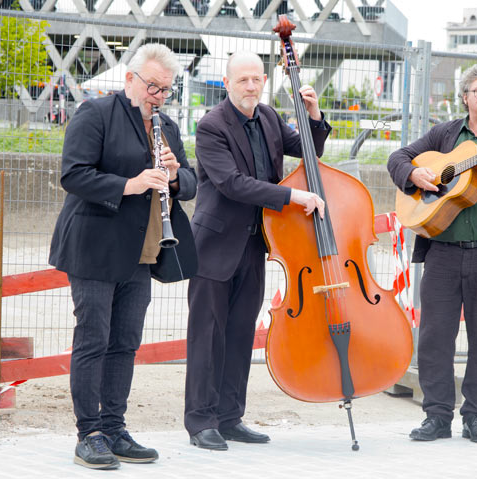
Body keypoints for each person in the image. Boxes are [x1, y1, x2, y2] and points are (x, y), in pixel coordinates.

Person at [49, 43, 198, 469]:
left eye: (167, 89)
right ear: (129, 78)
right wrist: (129, 184)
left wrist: (172, 176)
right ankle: (89, 433)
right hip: (94, 247)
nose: (159, 95)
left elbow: (190, 180)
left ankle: (114, 428)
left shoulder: (166, 125)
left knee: (125, 343)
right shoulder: (96, 114)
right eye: (153, 86)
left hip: (143, 249)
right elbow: (73, 174)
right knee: (93, 339)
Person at [184, 51, 331, 451]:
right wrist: (292, 196)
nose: (251, 86)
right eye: (243, 80)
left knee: (239, 334)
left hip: (255, 244)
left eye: (257, 79)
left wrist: (314, 117)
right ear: (228, 83)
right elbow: (233, 183)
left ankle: (230, 418)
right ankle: (201, 422)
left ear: (264, 82)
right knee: (206, 336)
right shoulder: (211, 126)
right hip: (215, 244)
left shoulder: (267, 117)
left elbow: (309, 152)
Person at [387, 61, 477, 444]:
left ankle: (475, 417)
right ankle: (436, 416)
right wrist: (414, 175)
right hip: (444, 254)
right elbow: (398, 158)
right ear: (465, 98)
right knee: (435, 337)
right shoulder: (444, 134)